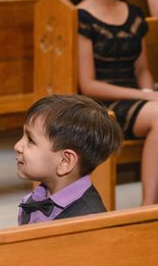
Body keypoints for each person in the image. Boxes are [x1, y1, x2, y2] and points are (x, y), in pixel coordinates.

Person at [70, 0, 158, 205]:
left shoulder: (132, 13)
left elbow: (143, 68)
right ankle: (149, 208)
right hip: (100, 106)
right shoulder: (80, 15)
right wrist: (145, 97)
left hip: (137, 101)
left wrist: (146, 91)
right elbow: (88, 84)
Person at [15, 94, 122, 225]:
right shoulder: (32, 201)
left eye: (31, 140)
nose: (17, 146)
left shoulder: (88, 221)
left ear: (65, 162)